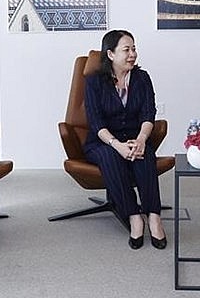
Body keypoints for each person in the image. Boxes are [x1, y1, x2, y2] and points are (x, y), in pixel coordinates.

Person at [83, 30, 166, 250]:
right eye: (126, 50)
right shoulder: (94, 82)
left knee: (144, 154)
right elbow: (95, 122)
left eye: (134, 48)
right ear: (110, 54)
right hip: (102, 141)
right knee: (110, 157)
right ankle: (134, 216)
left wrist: (140, 139)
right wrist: (117, 145)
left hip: (133, 137)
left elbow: (149, 114)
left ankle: (154, 216)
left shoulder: (142, 78)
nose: (133, 54)